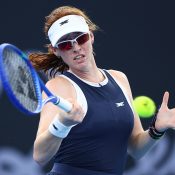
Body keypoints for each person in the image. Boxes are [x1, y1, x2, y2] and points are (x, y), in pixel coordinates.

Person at [29, 6, 175, 175]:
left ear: (90, 36)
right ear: (56, 51)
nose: (76, 47)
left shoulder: (119, 79)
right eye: (66, 44)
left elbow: (136, 149)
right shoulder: (58, 86)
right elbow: (39, 156)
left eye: (80, 38)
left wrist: (157, 129)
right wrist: (62, 123)